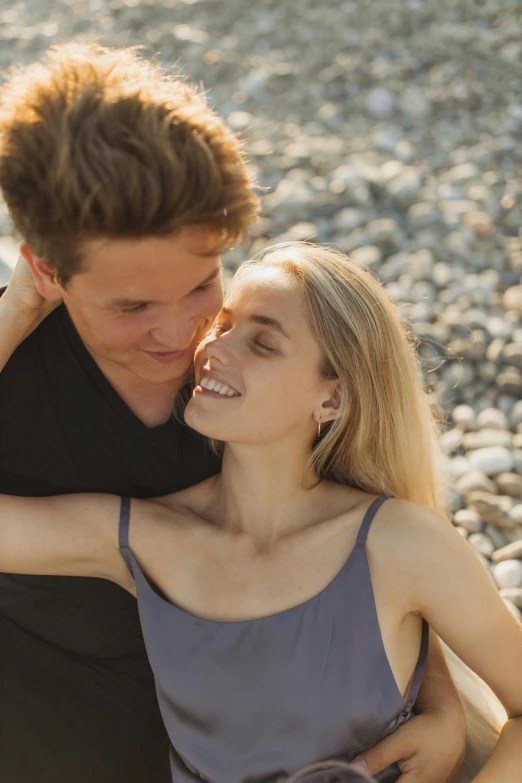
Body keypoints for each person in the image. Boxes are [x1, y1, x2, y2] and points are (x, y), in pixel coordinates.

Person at [0, 43, 465, 783]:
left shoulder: (240, 380)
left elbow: (362, 518)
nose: (181, 333)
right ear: (47, 270)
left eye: (199, 283)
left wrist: (439, 702)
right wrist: (14, 310)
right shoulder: (19, 368)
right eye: (132, 307)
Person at [0, 243, 520, 783]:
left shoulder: (400, 543)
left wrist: (446, 712)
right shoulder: (140, 538)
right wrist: (19, 307)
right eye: (222, 327)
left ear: (332, 401)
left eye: (263, 343)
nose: (215, 350)